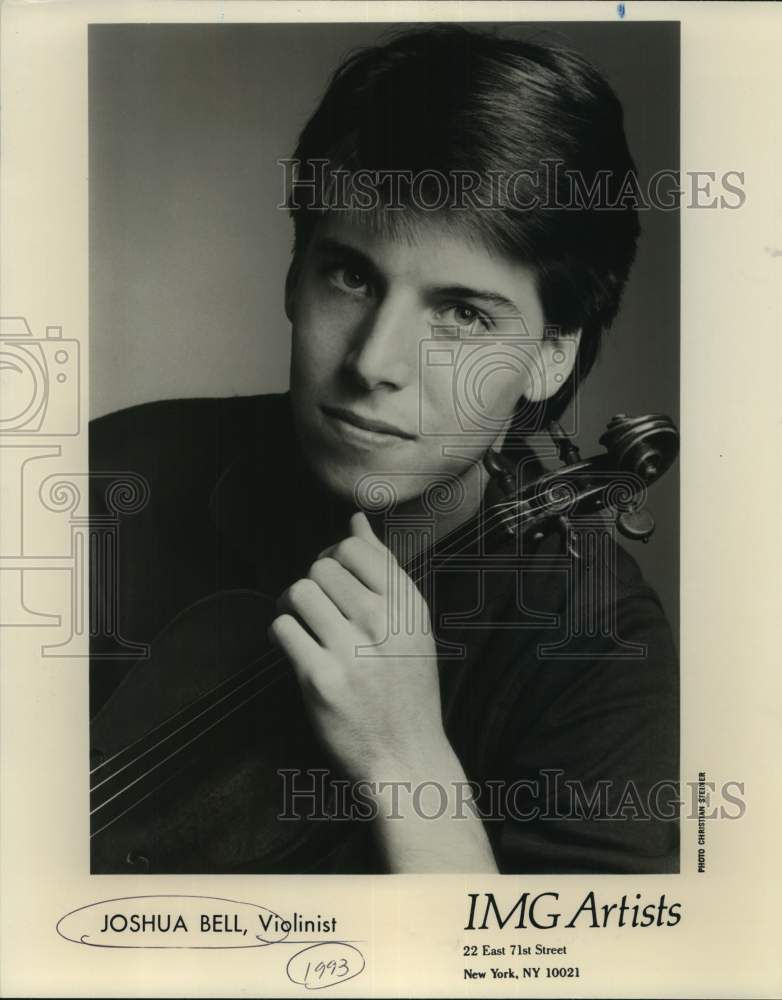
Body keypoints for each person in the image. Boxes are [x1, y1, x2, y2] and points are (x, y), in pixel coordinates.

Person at [89, 24, 679, 875]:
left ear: (553, 354)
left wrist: (409, 767)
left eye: (463, 314)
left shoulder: (600, 649)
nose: (373, 363)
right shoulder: (116, 475)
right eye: (352, 277)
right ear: (294, 276)